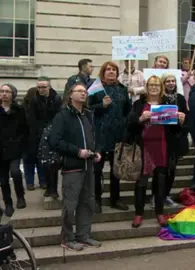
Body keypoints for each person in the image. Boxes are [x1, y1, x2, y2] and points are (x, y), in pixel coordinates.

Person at [127, 75, 186, 228]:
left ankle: (159, 212)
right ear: (146, 87)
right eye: (151, 85)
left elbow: (175, 130)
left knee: (160, 182)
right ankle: (138, 214)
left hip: (162, 146)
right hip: (143, 147)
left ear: (161, 88)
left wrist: (180, 121)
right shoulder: (139, 104)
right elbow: (129, 125)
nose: (154, 87)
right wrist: (140, 119)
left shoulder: (167, 104)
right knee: (141, 182)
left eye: (157, 85)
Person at [49, 83, 102, 251]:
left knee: (87, 202)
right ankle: (67, 238)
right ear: (70, 95)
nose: (83, 94)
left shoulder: (87, 115)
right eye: (79, 91)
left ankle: (84, 235)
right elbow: (54, 141)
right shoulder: (62, 116)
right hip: (72, 167)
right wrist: (77, 152)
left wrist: (96, 152)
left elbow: (93, 137)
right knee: (70, 205)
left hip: (88, 167)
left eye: (85, 91)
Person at [88, 61, 131, 213]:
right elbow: (87, 109)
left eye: (114, 70)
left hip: (117, 136)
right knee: (97, 170)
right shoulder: (96, 89)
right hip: (99, 135)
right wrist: (101, 105)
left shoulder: (122, 89)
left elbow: (128, 111)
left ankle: (115, 199)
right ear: (103, 72)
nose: (111, 72)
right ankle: (97, 200)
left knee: (116, 170)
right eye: (108, 70)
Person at [27, 77, 62, 198]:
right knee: (45, 162)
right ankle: (48, 187)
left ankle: (54, 188)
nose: (41, 89)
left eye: (44, 87)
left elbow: (59, 116)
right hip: (40, 134)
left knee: (54, 162)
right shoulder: (34, 100)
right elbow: (32, 118)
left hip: (54, 133)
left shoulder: (57, 99)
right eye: (39, 87)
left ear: (49, 87)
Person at [160, 74, 189, 206]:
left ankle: (166, 194)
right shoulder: (159, 98)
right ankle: (158, 196)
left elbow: (187, 116)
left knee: (172, 169)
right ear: (163, 83)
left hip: (176, 138)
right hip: (161, 137)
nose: (171, 83)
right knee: (161, 171)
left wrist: (183, 120)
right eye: (168, 81)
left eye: (173, 81)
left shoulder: (180, 98)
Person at [0, 84, 28, 215]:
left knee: (16, 172)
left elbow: (25, 128)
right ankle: (8, 203)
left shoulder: (19, 110)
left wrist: (21, 143)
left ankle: (20, 196)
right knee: (3, 179)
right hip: (1, 150)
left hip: (15, 148)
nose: (4, 94)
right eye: (2, 91)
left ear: (13, 94)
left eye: (7, 91)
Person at [23, 87, 46, 191]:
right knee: (36, 162)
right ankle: (40, 182)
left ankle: (31, 183)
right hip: (30, 139)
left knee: (31, 162)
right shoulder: (25, 109)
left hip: (31, 139)